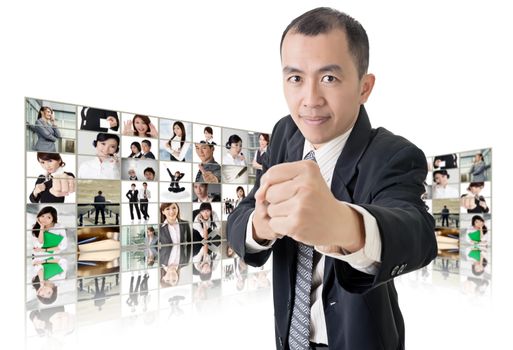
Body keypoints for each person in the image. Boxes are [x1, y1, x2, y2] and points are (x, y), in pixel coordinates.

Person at [226, 8, 436, 350]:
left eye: (329, 78)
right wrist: (259, 227)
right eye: (295, 78)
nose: (310, 100)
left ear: (364, 87)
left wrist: (346, 225)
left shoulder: (393, 154)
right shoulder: (285, 133)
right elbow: (247, 208)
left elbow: (420, 234)